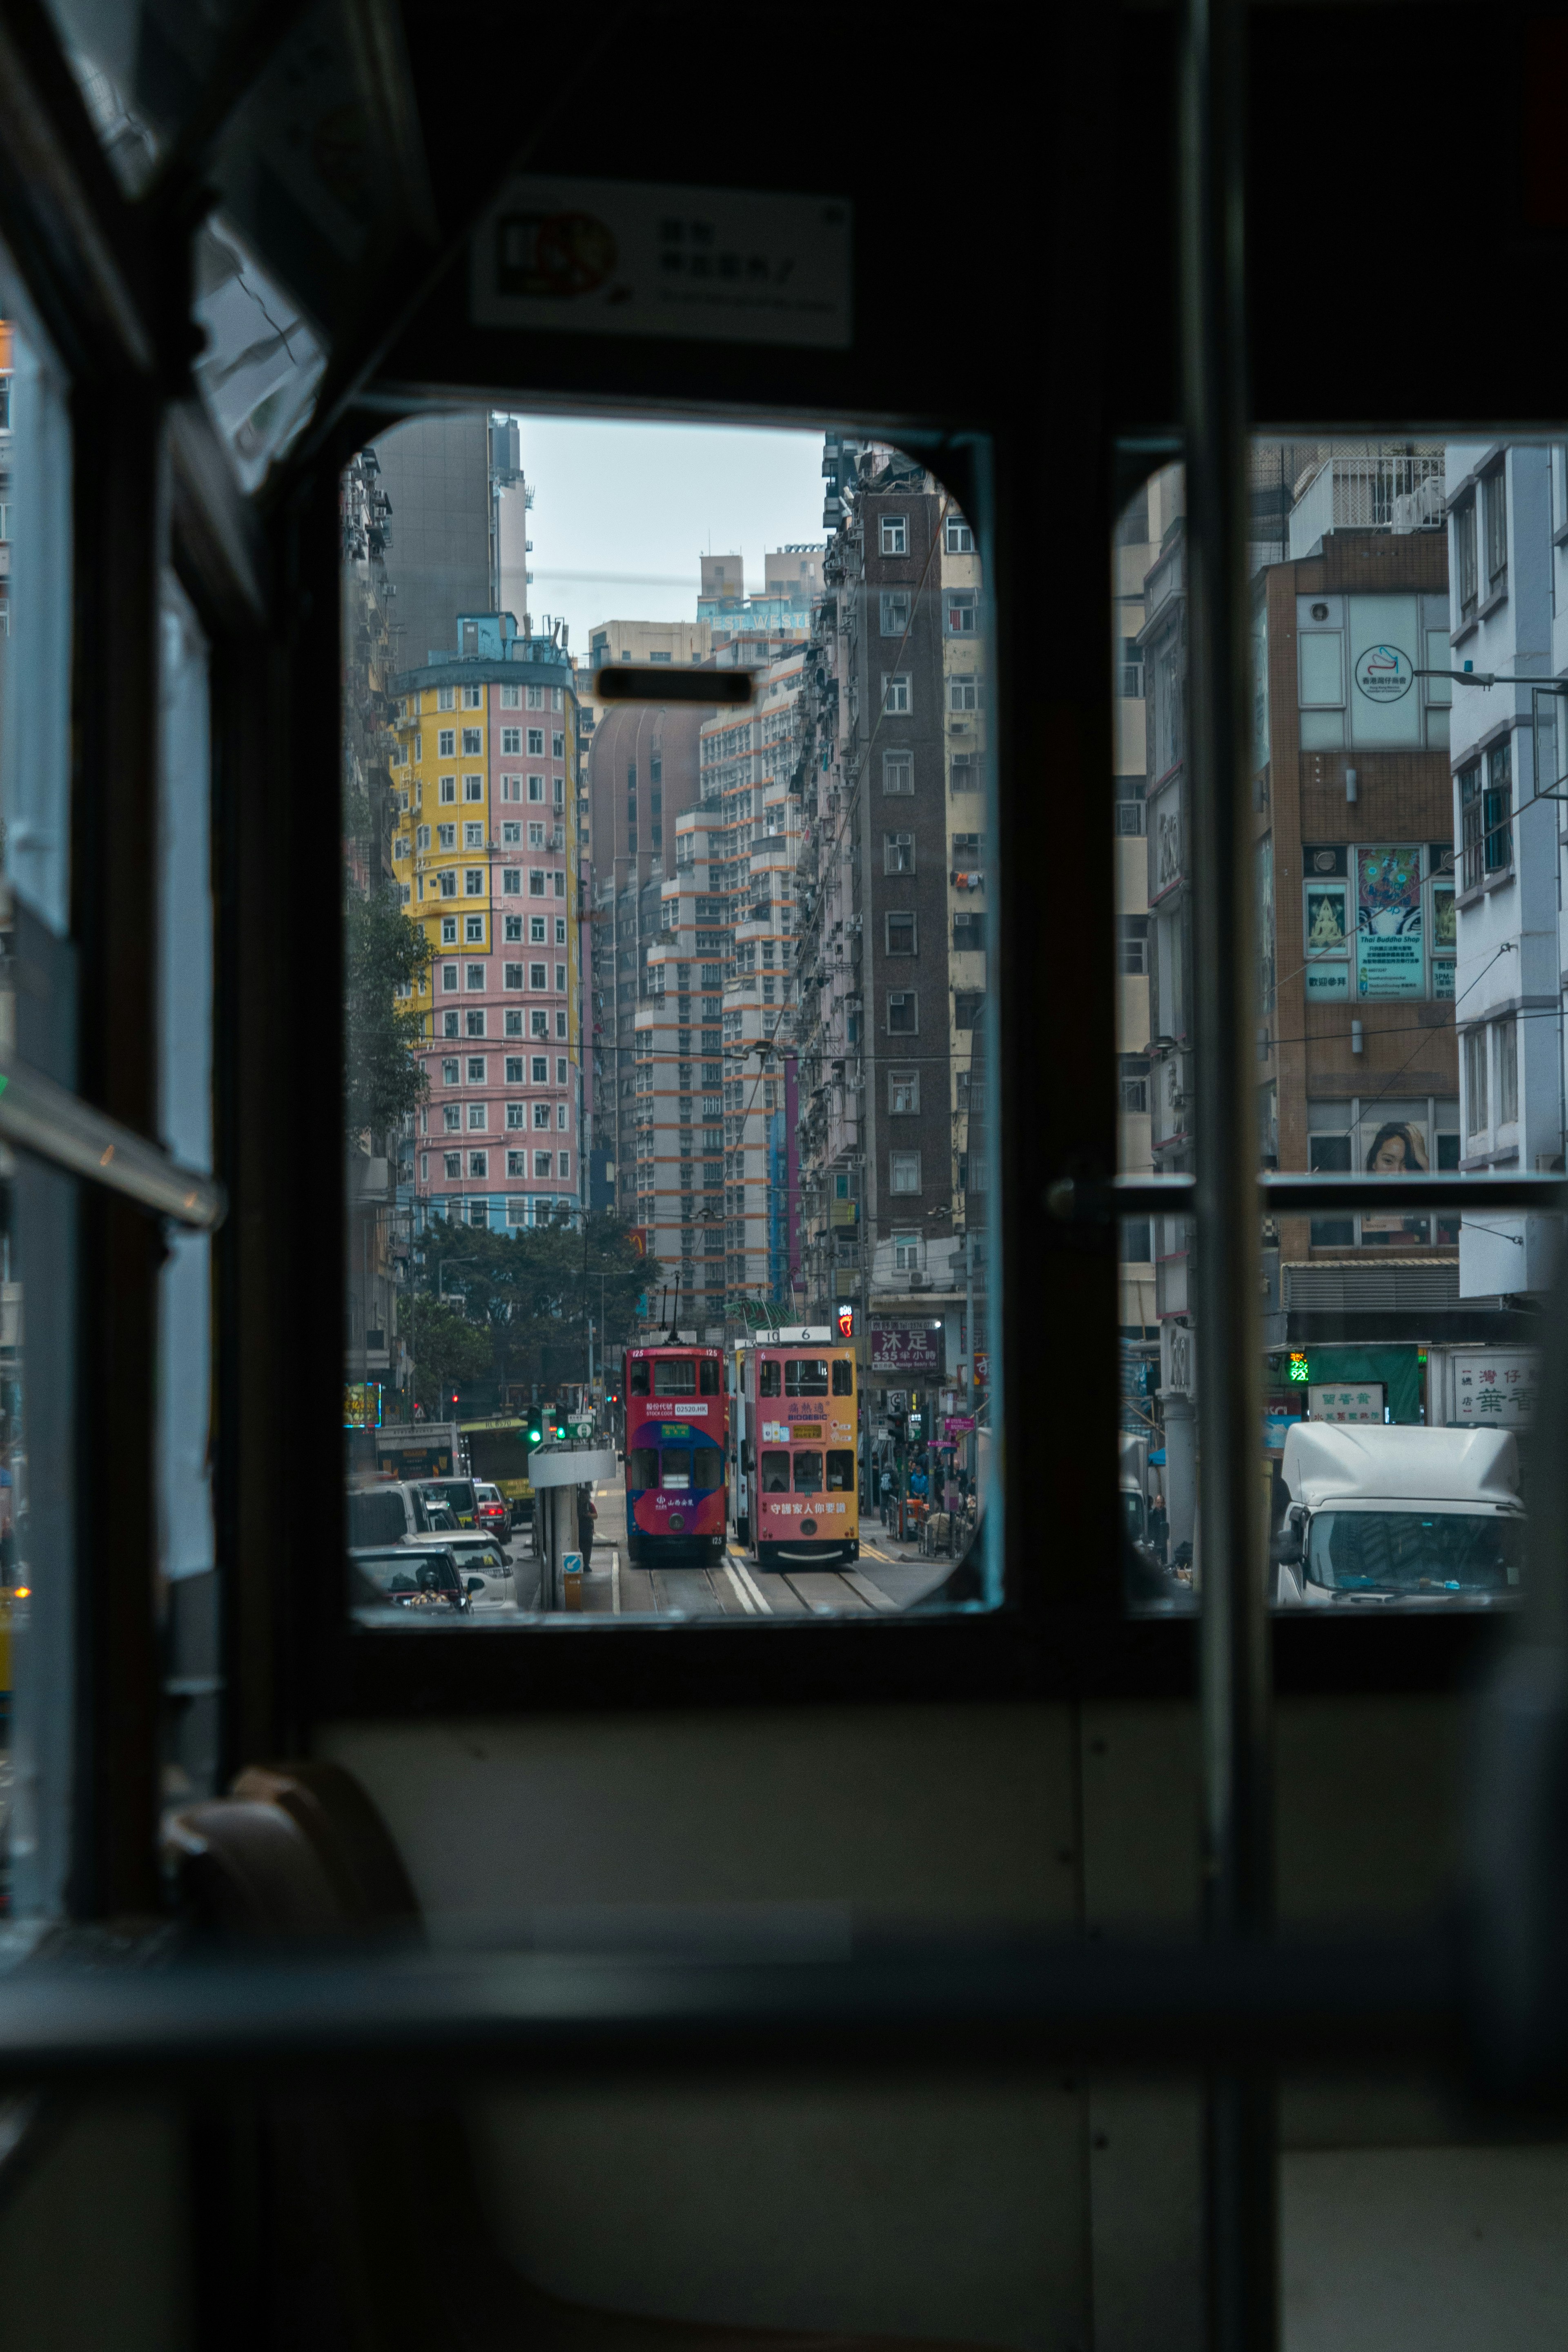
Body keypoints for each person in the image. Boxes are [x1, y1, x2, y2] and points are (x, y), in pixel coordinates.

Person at [575, 1483, 597, 1566]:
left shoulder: (590, 1505)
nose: (586, 1498)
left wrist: (589, 1515)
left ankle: (587, 1564)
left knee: (588, 1548)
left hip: (588, 1530)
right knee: (581, 1547)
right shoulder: (577, 1505)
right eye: (584, 1496)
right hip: (580, 1529)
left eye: (587, 1496)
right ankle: (583, 1563)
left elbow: (596, 1515)